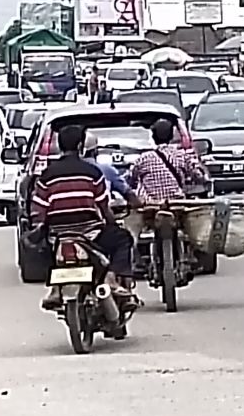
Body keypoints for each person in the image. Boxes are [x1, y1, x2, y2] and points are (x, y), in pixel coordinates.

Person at [30, 124, 137, 326]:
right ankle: (112, 280)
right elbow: (103, 207)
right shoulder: (92, 172)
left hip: (58, 236)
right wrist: (111, 223)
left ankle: (54, 288)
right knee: (124, 239)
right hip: (91, 234)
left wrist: (42, 227)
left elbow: (39, 210)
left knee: (41, 249)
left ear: (59, 146)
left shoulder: (46, 175)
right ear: (81, 145)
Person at [128, 119, 209, 203]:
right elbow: (199, 177)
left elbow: (131, 179)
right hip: (177, 203)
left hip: (151, 205)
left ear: (153, 137)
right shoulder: (181, 156)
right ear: (171, 136)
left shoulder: (143, 158)